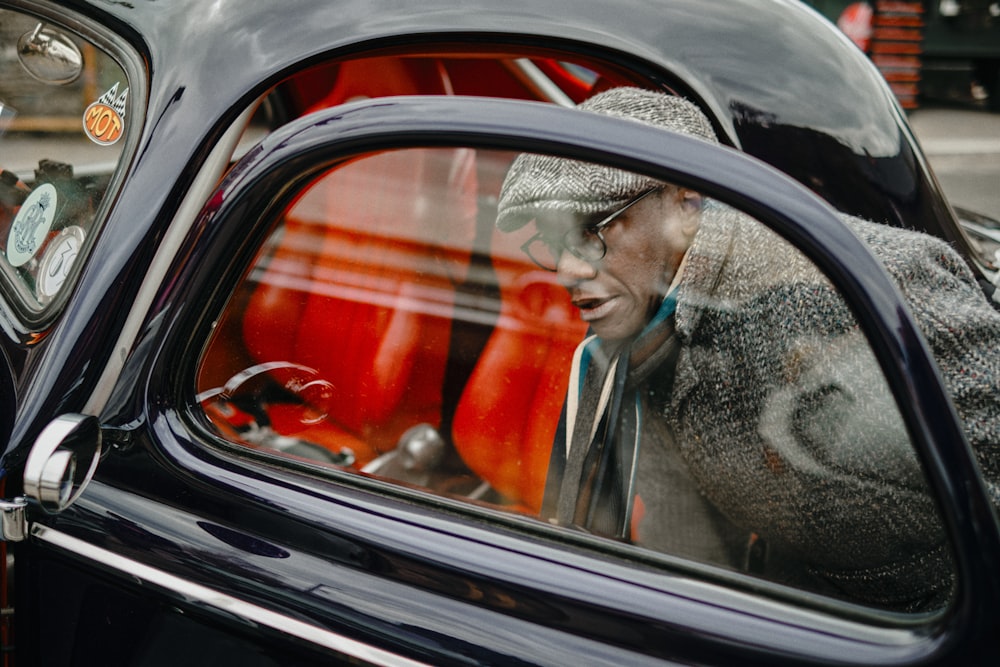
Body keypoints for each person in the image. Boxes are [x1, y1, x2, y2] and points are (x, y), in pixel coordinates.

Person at [494, 87, 1000, 611]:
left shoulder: (867, 287)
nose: (566, 271)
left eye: (591, 231)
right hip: (796, 610)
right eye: (554, 243)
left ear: (684, 201)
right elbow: (685, 533)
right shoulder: (644, 325)